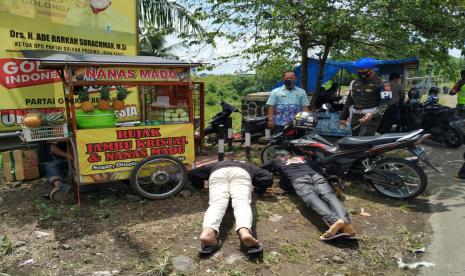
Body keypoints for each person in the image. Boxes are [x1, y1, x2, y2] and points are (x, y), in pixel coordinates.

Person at [261, 152, 356, 241]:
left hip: (298, 178)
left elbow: (261, 168)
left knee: (312, 198)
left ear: (277, 157)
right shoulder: (302, 158)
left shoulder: (276, 161)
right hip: (316, 176)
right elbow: (319, 169)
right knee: (330, 196)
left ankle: (335, 220)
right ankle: (346, 223)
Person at [188, 160, 273, 256]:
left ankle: (208, 232)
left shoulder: (216, 163)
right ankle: (244, 231)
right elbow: (267, 176)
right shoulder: (248, 165)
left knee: (217, 203)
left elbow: (193, 173)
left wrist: (199, 186)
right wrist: (259, 190)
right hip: (241, 173)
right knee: (241, 202)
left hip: (218, 173)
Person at [339, 57, 390, 136]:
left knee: (366, 140)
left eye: (362, 69)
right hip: (355, 117)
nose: (360, 72)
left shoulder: (382, 84)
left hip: (371, 118)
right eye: (358, 69)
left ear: (371, 69)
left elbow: (385, 104)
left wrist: (373, 114)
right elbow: (349, 101)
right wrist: (343, 117)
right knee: (355, 139)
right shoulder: (354, 83)